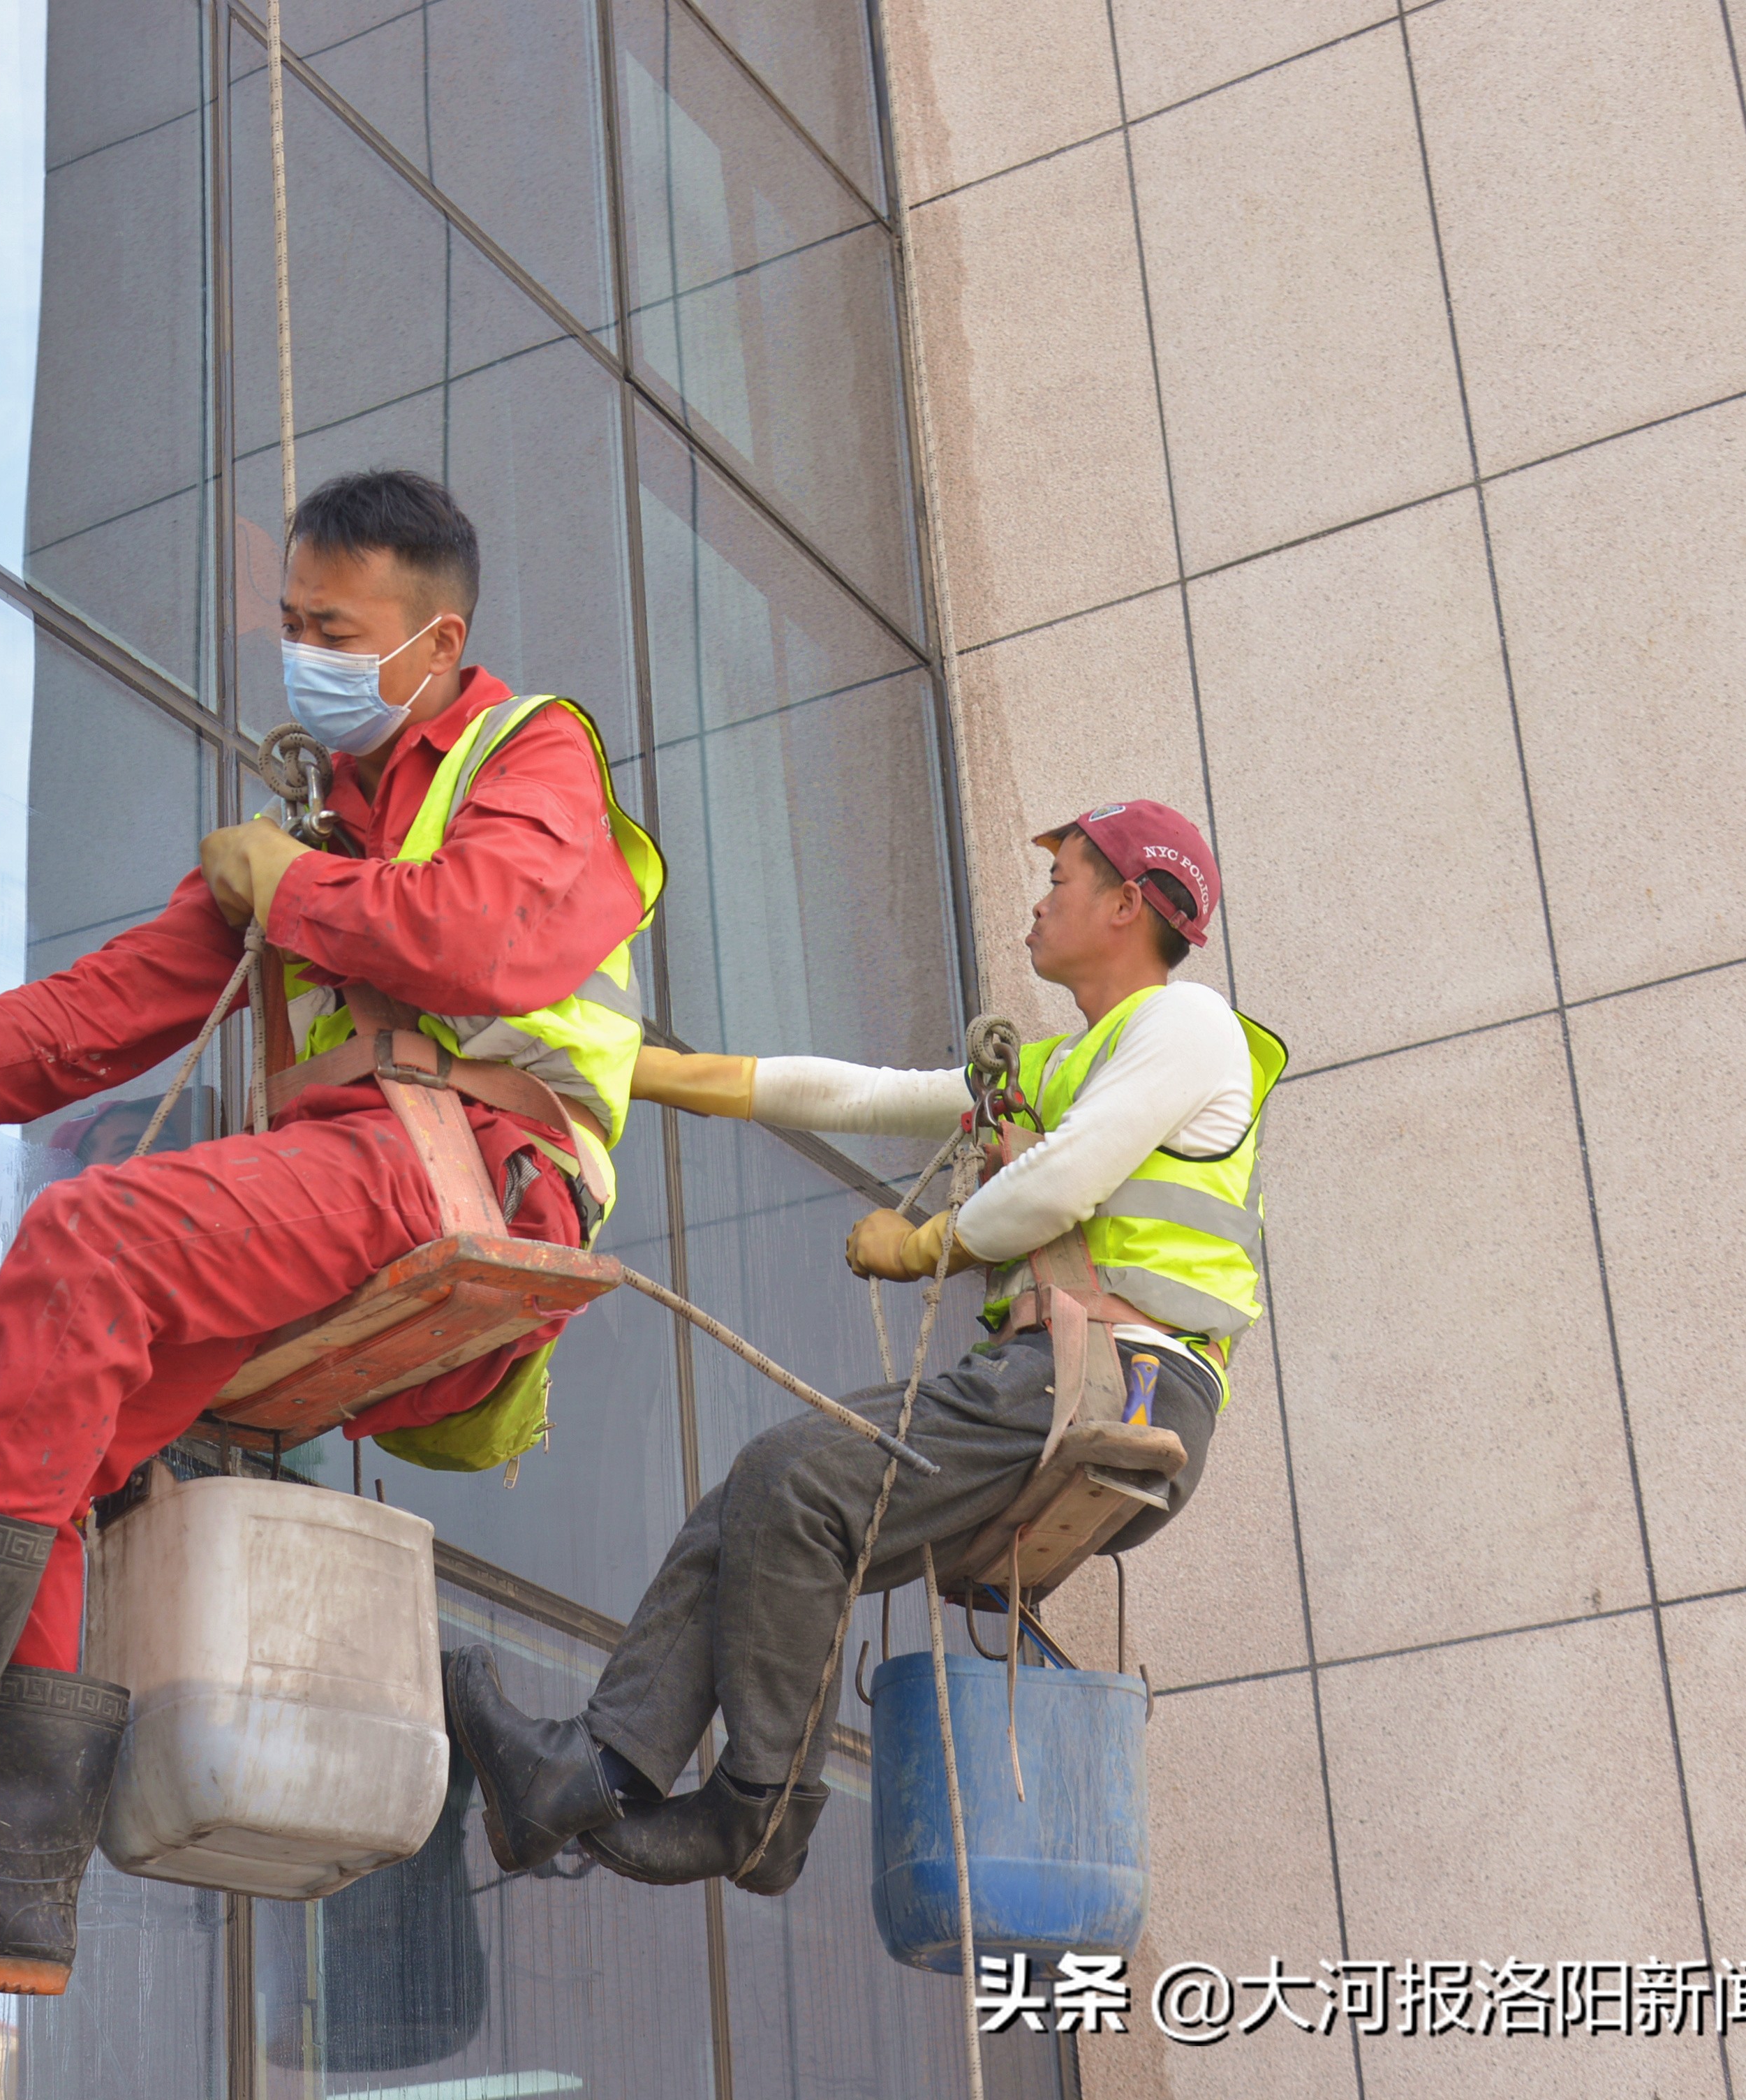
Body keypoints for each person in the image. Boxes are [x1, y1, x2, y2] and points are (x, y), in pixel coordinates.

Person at [0, 469, 664, 1995]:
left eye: (337, 628)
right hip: (350, 1173)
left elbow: (485, 934)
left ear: (437, 639)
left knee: (90, 1236)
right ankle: (12, 1879)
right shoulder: (310, 825)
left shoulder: (534, 755)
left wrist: (297, 884)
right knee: (39, 1435)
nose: (304, 654)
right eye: (291, 624)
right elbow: (97, 1015)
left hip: (473, 1162)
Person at [443, 799, 1284, 1894]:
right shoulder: (1067, 1066)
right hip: (1055, 1385)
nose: (1042, 899)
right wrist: (624, 1070)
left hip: (1120, 1388)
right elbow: (852, 1092)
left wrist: (928, 1240)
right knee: (750, 1506)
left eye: (1065, 878)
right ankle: (588, 1773)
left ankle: (762, 1814)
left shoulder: (1188, 1028)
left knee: (797, 1484)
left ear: (1130, 904)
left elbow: (1067, 1179)